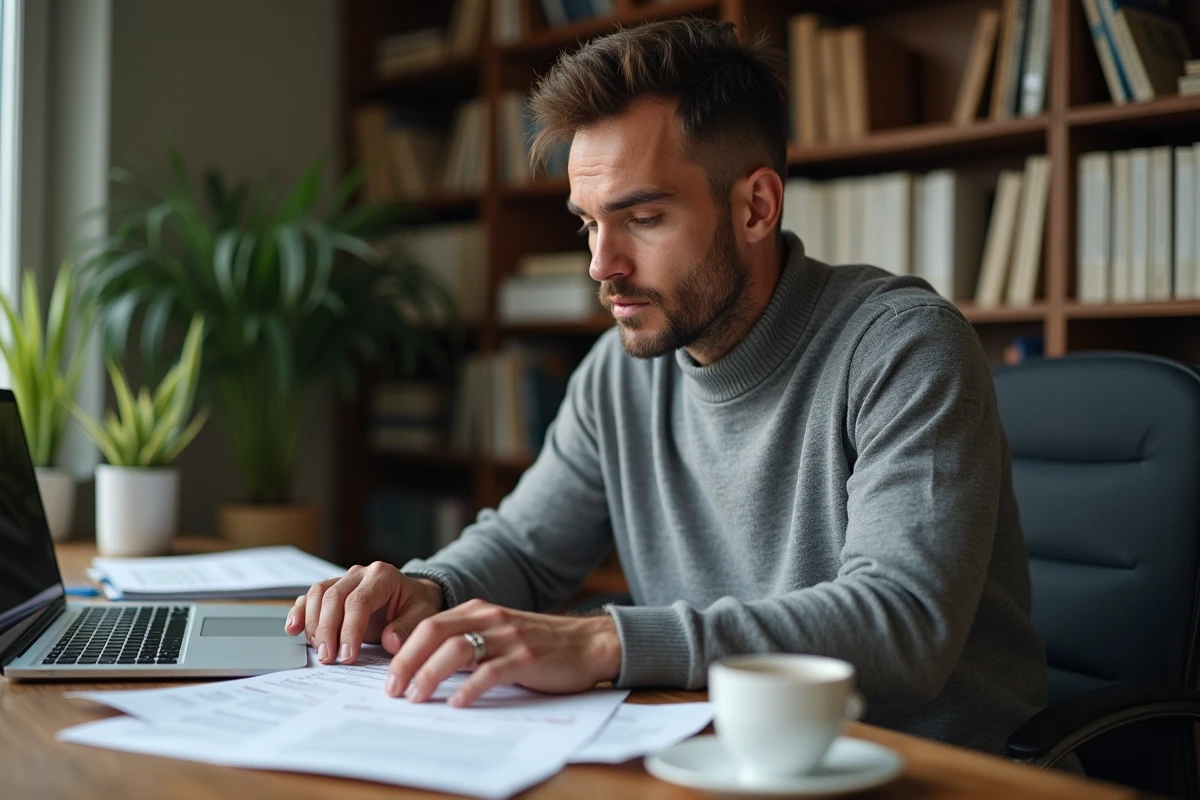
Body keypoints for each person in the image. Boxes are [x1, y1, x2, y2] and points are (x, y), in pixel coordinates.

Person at [286, 17, 1048, 756]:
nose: (601, 264)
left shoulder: (902, 346)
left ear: (756, 207)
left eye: (643, 218)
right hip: (723, 757)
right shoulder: (619, 371)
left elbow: (904, 622)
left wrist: (603, 641)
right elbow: (525, 546)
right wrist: (430, 588)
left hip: (924, 769)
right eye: (588, 223)